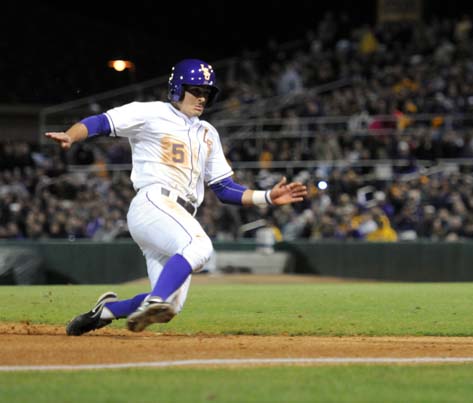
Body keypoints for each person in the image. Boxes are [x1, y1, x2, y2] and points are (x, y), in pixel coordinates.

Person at [45, 59, 308, 335]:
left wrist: (267, 197)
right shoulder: (150, 113)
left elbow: (224, 188)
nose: (202, 97)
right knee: (200, 246)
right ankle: (156, 300)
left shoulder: (208, 133)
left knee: (171, 306)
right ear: (177, 89)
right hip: (154, 203)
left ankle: (107, 311)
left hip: (176, 217)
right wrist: (71, 136)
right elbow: (102, 122)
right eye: (196, 90)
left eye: (207, 92)